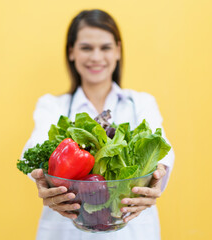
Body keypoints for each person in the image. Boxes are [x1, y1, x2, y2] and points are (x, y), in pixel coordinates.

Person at [22, 9, 175, 240]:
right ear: (71, 52)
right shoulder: (52, 106)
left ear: (118, 52)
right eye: (86, 48)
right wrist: (42, 179)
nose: (96, 57)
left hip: (131, 231)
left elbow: (163, 147)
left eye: (105, 48)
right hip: (65, 231)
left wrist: (157, 174)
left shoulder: (141, 102)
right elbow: (34, 146)